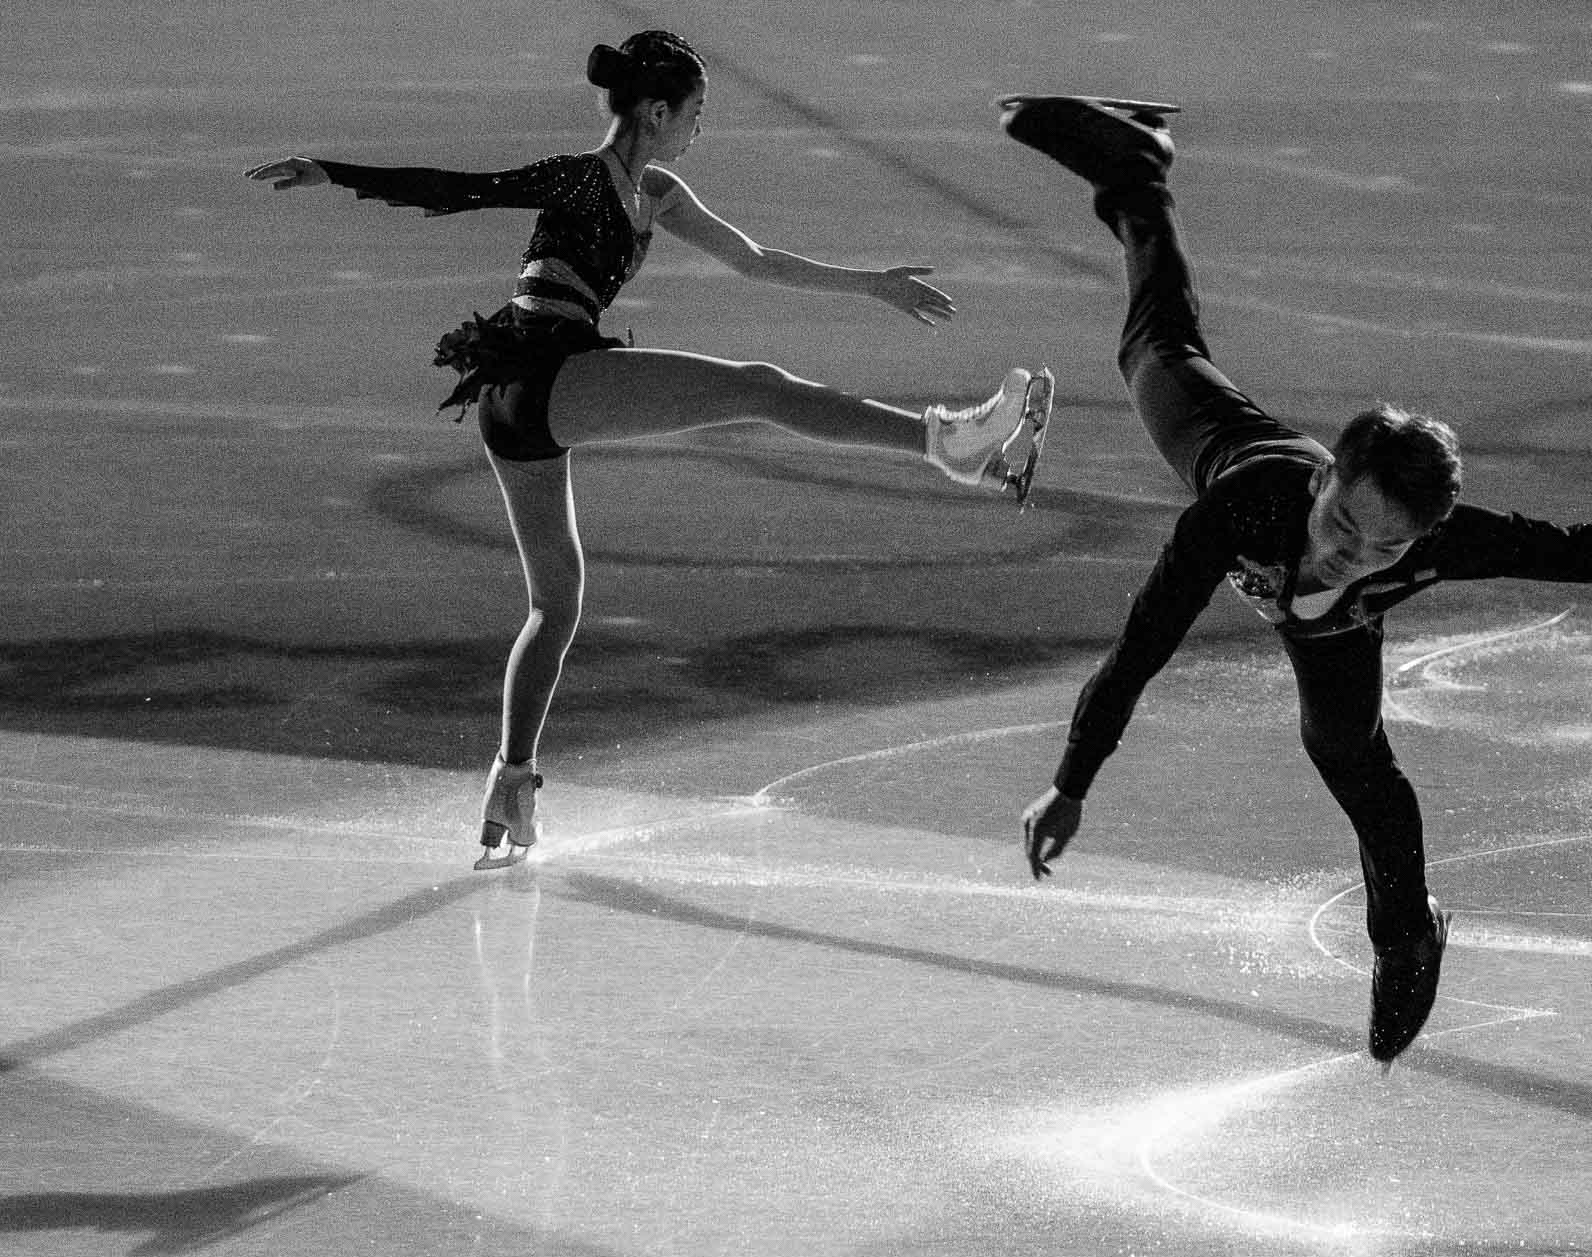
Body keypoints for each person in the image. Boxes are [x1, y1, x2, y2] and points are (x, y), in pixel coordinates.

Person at [1000, 96, 1592, 1064]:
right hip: (1229, 450)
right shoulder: (1240, 512)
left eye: (1379, 551)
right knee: (1154, 349)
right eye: (1340, 524)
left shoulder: (1439, 542)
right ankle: (1138, 169)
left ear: (1423, 539)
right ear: (1325, 475)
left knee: (1351, 758)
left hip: (1330, 638)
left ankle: (1406, 934)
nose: (1344, 554)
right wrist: (1072, 782)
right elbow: (1141, 645)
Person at [245, 31, 1054, 869]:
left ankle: (509, 788)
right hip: (540, 373)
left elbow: (756, 260)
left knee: (556, 607)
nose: (702, 126)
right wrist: (331, 171)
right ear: (657, 110)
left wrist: (871, 283)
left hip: (520, 400)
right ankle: (948, 441)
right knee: (759, 386)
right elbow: (458, 188)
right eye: (696, 112)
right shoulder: (580, 177)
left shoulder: (658, 192)